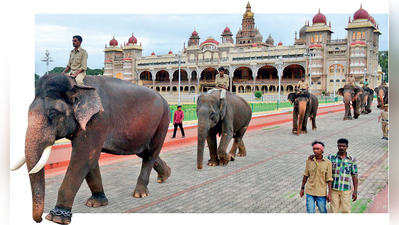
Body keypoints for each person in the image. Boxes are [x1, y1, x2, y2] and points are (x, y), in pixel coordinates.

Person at [300, 141, 333, 213]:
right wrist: (302, 188)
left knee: (322, 210)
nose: (315, 150)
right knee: (310, 211)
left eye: (317, 149)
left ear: (322, 150)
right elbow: (306, 175)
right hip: (310, 191)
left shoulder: (328, 163)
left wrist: (329, 193)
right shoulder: (309, 161)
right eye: (314, 149)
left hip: (321, 192)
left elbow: (329, 179)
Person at [327, 138, 358, 213]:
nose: (341, 148)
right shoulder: (331, 157)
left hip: (346, 189)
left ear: (347, 147)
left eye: (343, 146)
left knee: (346, 210)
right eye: (339, 146)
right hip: (334, 189)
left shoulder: (351, 159)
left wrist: (355, 191)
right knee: (334, 211)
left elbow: (354, 175)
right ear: (337, 146)